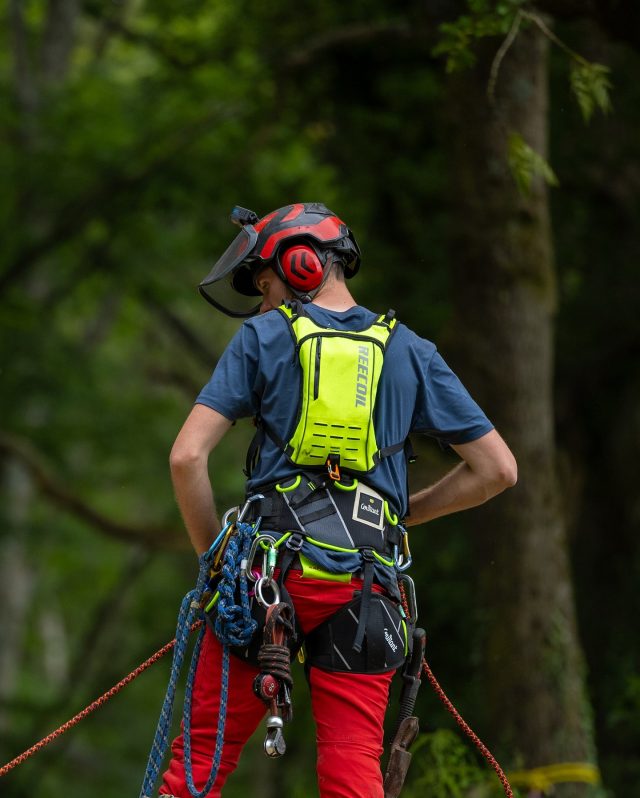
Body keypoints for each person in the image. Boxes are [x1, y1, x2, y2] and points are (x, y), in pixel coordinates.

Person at [159, 203, 517, 798]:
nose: (263, 299)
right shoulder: (411, 351)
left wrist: (215, 563)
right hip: (369, 588)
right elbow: (498, 469)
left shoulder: (263, 337)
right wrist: (401, 516)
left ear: (301, 264)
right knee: (354, 768)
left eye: (265, 282)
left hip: (266, 581)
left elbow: (185, 458)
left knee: (202, 754)